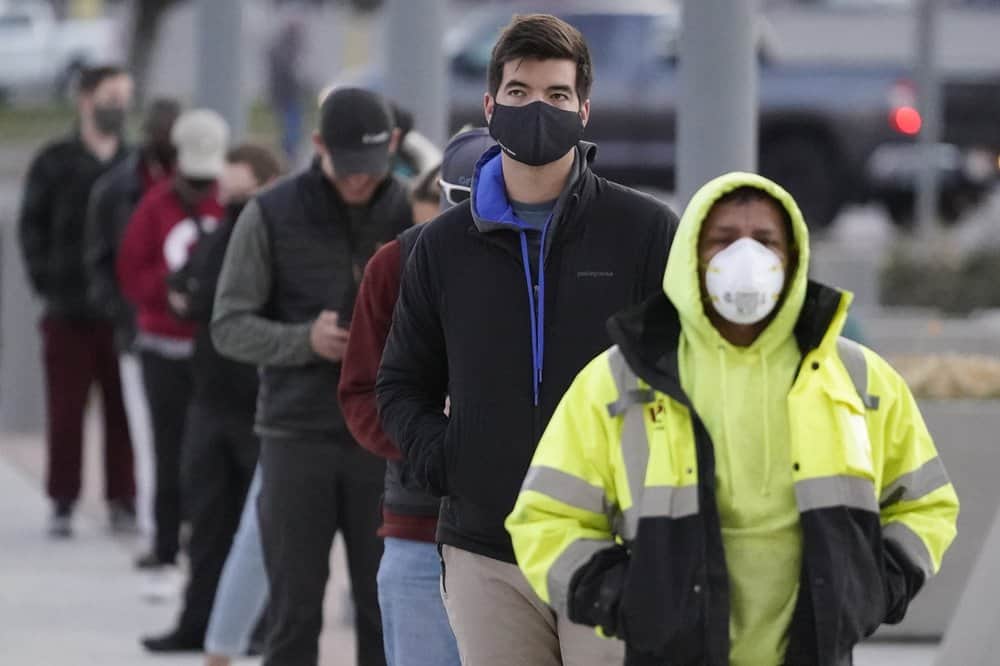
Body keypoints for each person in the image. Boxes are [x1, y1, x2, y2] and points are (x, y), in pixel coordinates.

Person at [506, 172, 960, 666]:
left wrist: (875, 588)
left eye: (765, 241)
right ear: (691, 258)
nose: (746, 259)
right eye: (722, 241)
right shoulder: (622, 379)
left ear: (793, 255)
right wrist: (623, 602)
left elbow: (926, 502)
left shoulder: (856, 376)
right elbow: (544, 517)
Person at [375, 14, 677, 665]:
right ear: (489, 106)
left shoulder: (645, 231)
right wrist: (448, 459)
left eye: (556, 95)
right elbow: (400, 383)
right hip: (486, 549)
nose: (537, 109)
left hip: (613, 541)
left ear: (584, 110)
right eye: (519, 93)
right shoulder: (440, 250)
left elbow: (688, 376)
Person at [212, 87, 412, 666]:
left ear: (394, 147)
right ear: (318, 146)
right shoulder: (270, 213)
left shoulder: (410, 213)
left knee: (384, 609)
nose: (359, 182)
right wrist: (304, 341)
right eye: (347, 169)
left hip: (381, 440)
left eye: (371, 170)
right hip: (294, 434)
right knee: (295, 609)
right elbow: (228, 325)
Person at [338, 126, 494, 666]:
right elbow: (361, 392)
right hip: (420, 526)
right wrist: (428, 440)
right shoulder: (395, 266)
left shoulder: (552, 265)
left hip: (530, 533)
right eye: (461, 200)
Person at [141, 144, 283, 653]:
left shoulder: (266, 226)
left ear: (261, 175)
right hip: (212, 395)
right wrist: (194, 293)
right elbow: (188, 285)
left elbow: (207, 296)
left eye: (236, 167)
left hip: (254, 402)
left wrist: (196, 295)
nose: (223, 175)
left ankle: (256, 628)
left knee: (259, 529)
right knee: (206, 522)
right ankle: (198, 623)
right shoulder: (223, 224)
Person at [18, 64, 137, 537]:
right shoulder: (55, 160)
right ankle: (62, 500)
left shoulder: (133, 163)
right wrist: (47, 282)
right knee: (66, 411)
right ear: (86, 99)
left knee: (123, 411)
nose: (119, 106)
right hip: (67, 310)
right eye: (111, 95)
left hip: (121, 312)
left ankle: (122, 499)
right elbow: (32, 227)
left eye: (125, 96)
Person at [117, 109, 229, 570]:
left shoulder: (230, 205)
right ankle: (165, 541)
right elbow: (130, 269)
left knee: (210, 452)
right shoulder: (154, 206)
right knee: (166, 449)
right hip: (163, 348)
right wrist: (166, 297)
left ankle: (205, 542)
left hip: (213, 349)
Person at [86, 97, 182, 354]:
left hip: (189, 330)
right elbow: (100, 259)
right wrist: (121, 310)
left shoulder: (200, 185)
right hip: (138, 327)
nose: (168, 142)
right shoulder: (115, 189)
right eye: (161, 133)